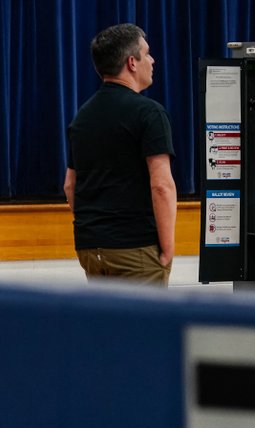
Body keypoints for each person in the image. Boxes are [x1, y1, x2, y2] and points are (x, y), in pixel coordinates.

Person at [63, 23, 177, 286]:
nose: (153, 60)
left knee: (107, 327)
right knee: (147, 327)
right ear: (132, 63)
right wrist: (168, 247)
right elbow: (161, 185)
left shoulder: (82, 116)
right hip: (136, 247)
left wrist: (95, 230)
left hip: (91, 249)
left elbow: (70, 185)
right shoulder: (149, 113)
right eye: (146, 53)